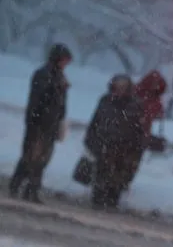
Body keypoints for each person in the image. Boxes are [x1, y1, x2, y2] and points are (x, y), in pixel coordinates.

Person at [9, 44, 72, 203]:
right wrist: (34, 121)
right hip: (38, 124)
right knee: (31, 158)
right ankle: (18, 186)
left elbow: (59, 103)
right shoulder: (43, 74)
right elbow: (39, 98)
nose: (66, 64)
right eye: (64, 60)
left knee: (42, 160)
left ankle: (31, 190)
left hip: (50, 125)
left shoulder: (59, 76)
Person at [84, 74, 144, 209]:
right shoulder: (105, 100)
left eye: (123, 87)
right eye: (117, 86)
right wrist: (90, 139)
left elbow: (138, 129)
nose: (119, 90)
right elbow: (96, 120)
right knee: (101, 172)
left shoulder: (135, 104)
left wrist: (136, 147)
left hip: (124, 147)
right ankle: (98, 199)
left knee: (119, 175)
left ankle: (112, 200)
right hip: (104, 143)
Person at [122, 70, 166, 189]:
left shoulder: (135, 93)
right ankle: (124, 182)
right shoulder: (153, 100)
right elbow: (156, 114)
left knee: (126, 160)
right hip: (139, 135)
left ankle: (120, 182)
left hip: (130, 134)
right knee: (132, 161)